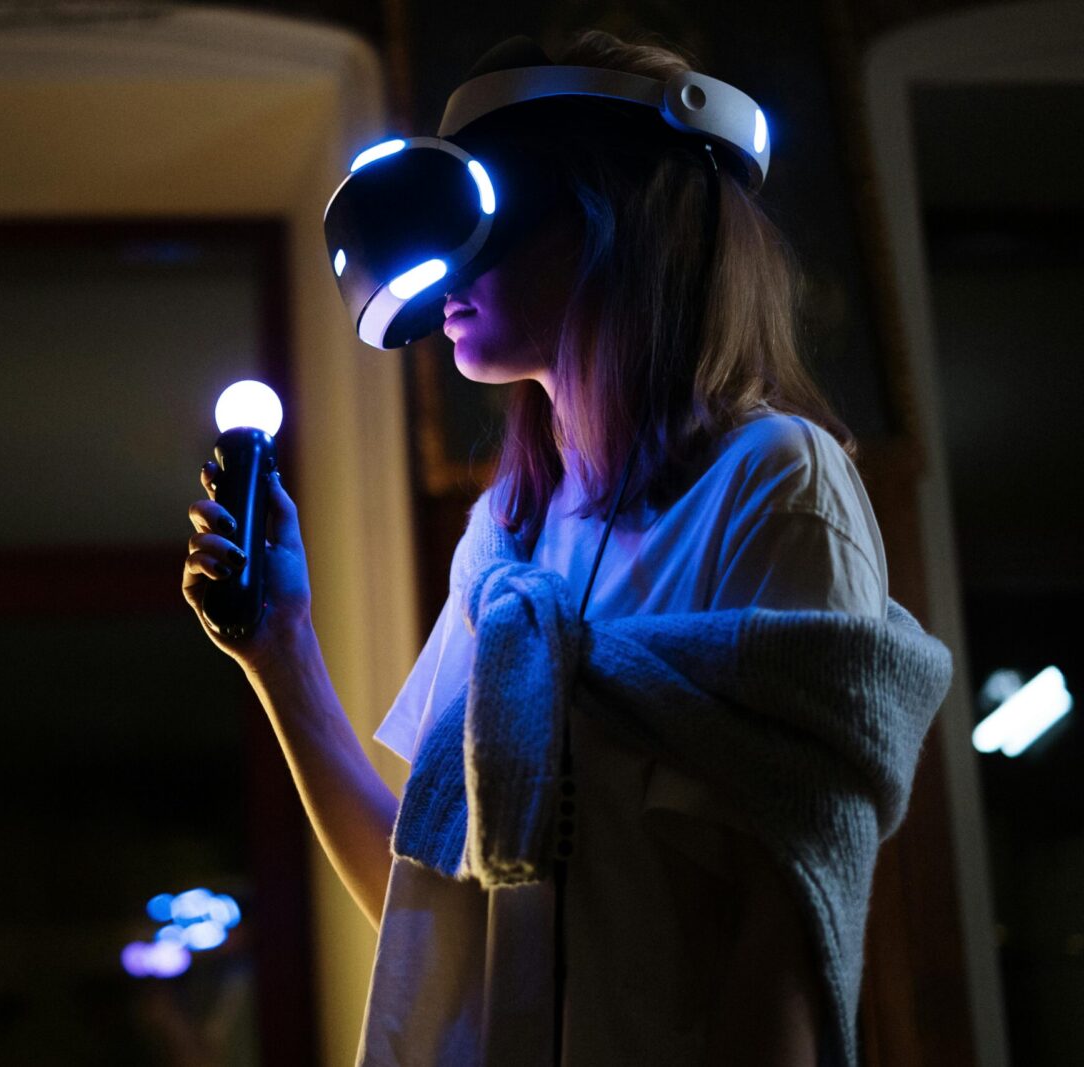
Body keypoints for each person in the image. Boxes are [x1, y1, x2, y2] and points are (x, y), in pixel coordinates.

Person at [183, 29, 922, 1067]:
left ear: (604, 214)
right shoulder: (509, 537)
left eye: (483, 207)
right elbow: (432, 894)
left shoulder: (775, 483)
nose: (446, 259)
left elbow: (786, 934)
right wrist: (277, 645)